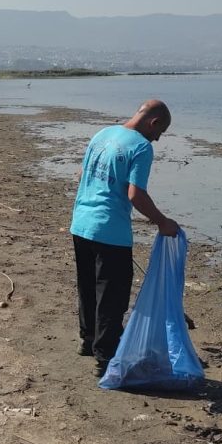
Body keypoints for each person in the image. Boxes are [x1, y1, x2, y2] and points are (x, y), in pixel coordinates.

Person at [70, 99, 181, 376]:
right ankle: (105, 357)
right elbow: (136, 195)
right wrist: (162, 222)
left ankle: (88, 340)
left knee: (87, 286)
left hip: (81, 224)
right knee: (112, 295)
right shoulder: (141, 147)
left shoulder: (102, 134)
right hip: (110, 231)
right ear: (153, 123)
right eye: (160, 132)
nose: (157, 138)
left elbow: (82, 175)